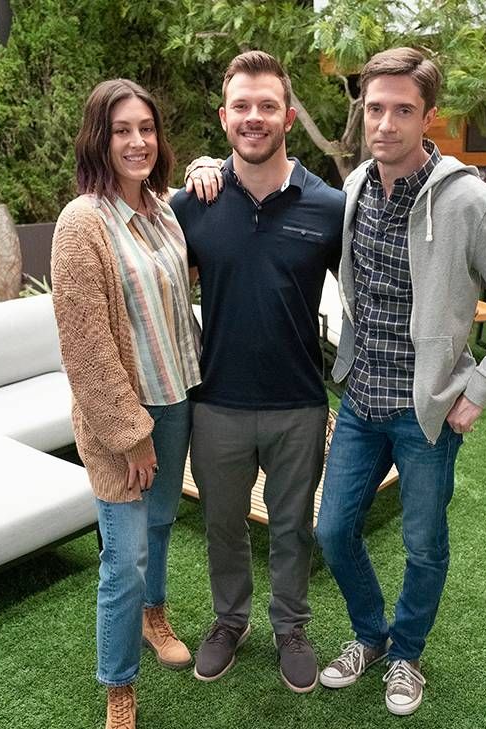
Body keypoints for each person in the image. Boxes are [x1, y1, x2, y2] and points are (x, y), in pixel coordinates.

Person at [313, 47, 486, 715]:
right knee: (333, 532)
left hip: (428, 415)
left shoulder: (469, 201)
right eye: (375, 107)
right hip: (360, 400)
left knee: (423, 543)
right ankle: (370, 636)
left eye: (403, 110)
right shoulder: (356, 185)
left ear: (430, 118)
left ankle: (407, 655)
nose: (385, 123)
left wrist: (479, 389)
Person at [171, 51, 344, 694]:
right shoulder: (192, 204)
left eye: (267, 105)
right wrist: (197, 170)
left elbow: (368, 288)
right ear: (223, 118)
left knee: (294, 526)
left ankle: (291, 626)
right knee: (222, 523)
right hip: (216, 401)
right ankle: (229, 620)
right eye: (241, 106)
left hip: (299, 402)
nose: (254, 117)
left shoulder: (327, 206)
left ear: (289, 117)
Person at [51, 79, 201, 729]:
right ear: (98, 140)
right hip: (124, 423)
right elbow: (84, 344)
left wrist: (208, 170)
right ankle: (119, 694)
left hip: (177, 402)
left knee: (164, 524)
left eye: (147, 127)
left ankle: (155, 617)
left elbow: (228, 174)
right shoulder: (83, 223)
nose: (137, 141)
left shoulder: (167, 212)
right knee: (123, 559)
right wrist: (129, 433)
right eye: (121, 130)